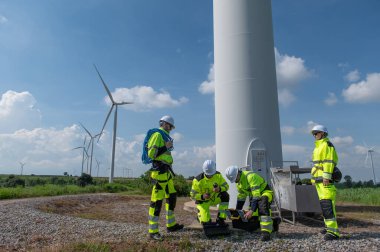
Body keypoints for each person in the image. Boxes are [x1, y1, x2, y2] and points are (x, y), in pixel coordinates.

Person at [147, 115, 183, 241]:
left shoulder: (164, 136)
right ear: (163, 123)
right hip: (159, 173)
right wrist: (165, 147)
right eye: (169, 126)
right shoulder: (157, 135)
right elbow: (151, 154)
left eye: (171, 127)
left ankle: (171, 225)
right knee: (156, 202)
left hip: (167, 173)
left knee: (171, 197)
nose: (170, 128)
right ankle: (153, 231)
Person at [225, 165, 273, 241]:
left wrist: (251, 210)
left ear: (238, 174)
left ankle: (266, 233)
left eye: (235, 179)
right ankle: (256, 227)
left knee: (262, 207)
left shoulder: (251, 177)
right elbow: (241, 197)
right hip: (255, 196)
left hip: (265, 193)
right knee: (253, 214)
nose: (235, 181)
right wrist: (237, 211)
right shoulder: (239, 183)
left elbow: (256, 195)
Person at [310, 125, 340, 240]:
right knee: (324, 205)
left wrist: (326, 176)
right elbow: (316, 165)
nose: (314, 135)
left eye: (316, 133)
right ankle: (329, 227)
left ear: (322, 133)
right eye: (314, 133)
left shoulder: (327, 145)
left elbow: (329, 162)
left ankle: (333, 232)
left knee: (327, 205)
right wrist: (313, 179)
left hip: (325, 180)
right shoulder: (317, 147)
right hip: (319, 180)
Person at [190, 160, 230, 227]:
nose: (210, 176)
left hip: (214, 198)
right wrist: (202, 196)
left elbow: (226, 186)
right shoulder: (197, 180)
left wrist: (219, 189)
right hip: (203, 201)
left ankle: (221, 219)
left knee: (225, 195)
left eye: (211, 174)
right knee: (207, 223)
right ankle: (200, 216)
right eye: (208, 175)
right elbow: (192, 195)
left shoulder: (218, 175)